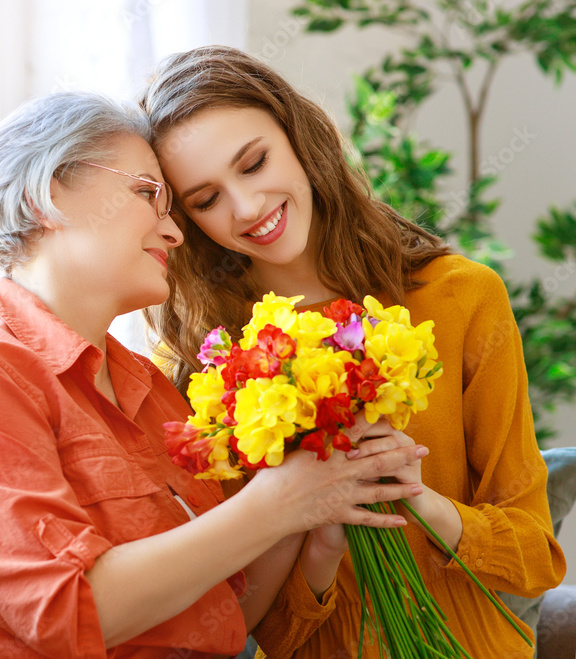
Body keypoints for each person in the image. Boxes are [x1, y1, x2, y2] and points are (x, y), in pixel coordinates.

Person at [0, 90, 430, 658]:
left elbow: (226, 618)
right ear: (49, 198)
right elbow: (68, 616)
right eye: (148, 194)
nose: (174, 233)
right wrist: (276, 504)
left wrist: (316, 517)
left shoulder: (152, 391)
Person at [140, 45, 566, 658]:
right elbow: (260, 632)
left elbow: (535, 560)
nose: (248, 207)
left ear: (298, 137)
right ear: (185, 219)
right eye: (206, 199)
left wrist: (421, 501)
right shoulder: (193, 364)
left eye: (254, 163)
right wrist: (316, 537)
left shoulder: (461, 297)